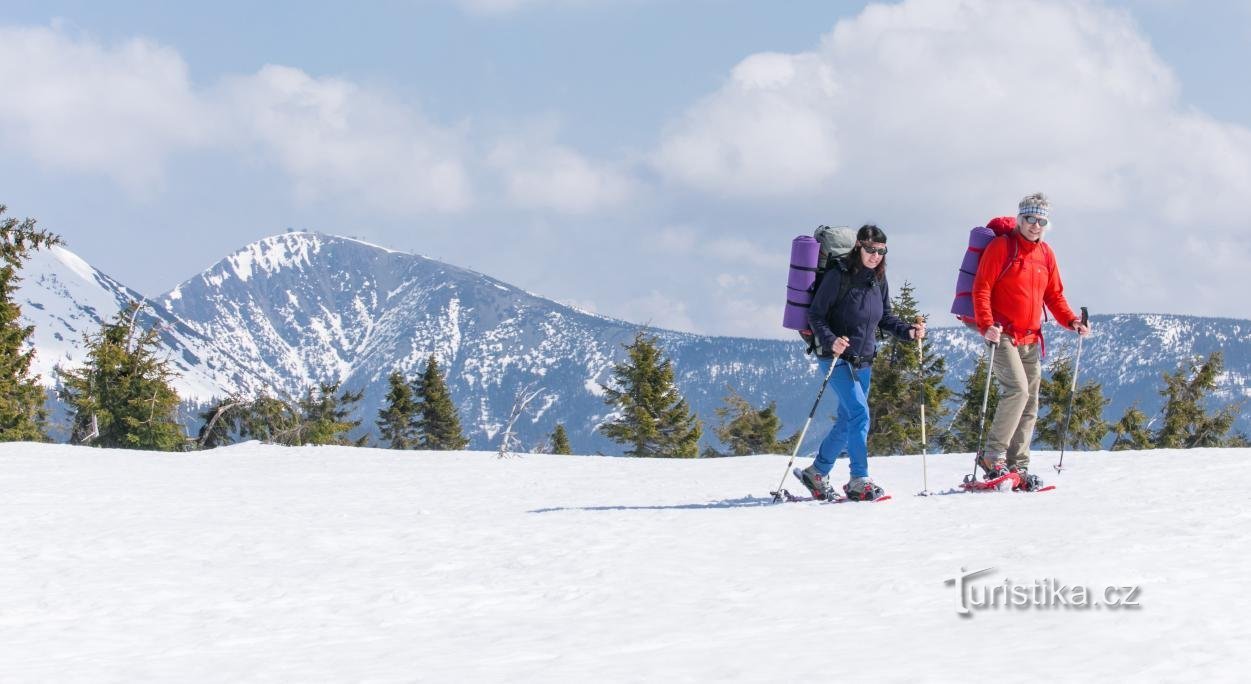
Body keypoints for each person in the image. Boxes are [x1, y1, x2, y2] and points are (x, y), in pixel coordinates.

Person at [971, 192, 1091, 490]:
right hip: (1003, 335)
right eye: (1030, 219)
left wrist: (1071, 321)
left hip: (1031, 338)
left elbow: (1054, 295)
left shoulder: (1046, 254)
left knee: (1030, 403)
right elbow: (982, 288)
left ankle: (1018, 466)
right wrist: (986, 325)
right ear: (1020, 219)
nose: (1035, 225)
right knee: (1017, 391)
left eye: (1041, 221)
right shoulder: (1002, 247)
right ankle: (992, 456)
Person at [799, 224, 925, 501]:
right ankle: (859, 479)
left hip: (864, 358)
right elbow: (816, 315)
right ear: (858, 246)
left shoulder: (878, 278)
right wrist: (831, 340)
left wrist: (907, 331)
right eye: (870, 249)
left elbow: (885, 317)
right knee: (859, 414)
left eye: (881, 251)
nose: (875, 255)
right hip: (835, 357)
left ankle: (816, 472)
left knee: (848, 419)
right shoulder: (838, 274)